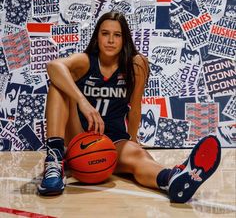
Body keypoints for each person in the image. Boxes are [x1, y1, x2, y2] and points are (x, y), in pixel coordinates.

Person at [38, 11, 221, 203]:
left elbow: (135, 106)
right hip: (79, 137)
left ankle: (172, 178)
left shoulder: (136, 64)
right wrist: (83, 102)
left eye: (117, 35)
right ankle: (54, 159)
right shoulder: (85, 61)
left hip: (112, 143)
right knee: (58, 84)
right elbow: (53, 65)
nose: (110, 40)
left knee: (138, 156)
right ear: (97, 36)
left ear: (125, 39)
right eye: (105, 33)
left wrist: (133, 140)